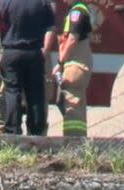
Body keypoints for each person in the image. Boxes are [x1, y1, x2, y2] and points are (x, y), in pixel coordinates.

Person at [0, 0, 56, 136]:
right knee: (35, 94)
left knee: (12, 92)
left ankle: (12, 131)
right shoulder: (42, 2)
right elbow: (51, 28)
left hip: (11, 52)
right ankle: (36, 132)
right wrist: (45, 51)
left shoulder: (5, 1)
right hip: (34, 52)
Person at [52, 1, 93, 137]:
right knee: (67, 103)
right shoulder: (76, 10)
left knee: (72, 107)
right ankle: (77, 141)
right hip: (75, 64)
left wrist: (59, 62)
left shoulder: (77, 12)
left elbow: (72, 39)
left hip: (75, 65)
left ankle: (73, 143)